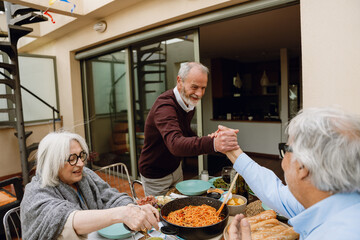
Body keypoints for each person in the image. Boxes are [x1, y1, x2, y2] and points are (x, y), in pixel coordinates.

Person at [225, 107, 360, 240]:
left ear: (302, 166)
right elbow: (272, 190)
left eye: (286, 148)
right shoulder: (325, 200)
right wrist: (233, 151)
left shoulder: (339, 234)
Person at [21, 131, 159, 240]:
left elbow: (111, 197)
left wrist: (132, 208)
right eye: (72, 159)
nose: (81, 163)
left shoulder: (85, 175)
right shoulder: (35, 193)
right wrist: (121, 213)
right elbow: (64, 218)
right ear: (52, 163)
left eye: (81, 155)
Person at [138, 62, 239, 196]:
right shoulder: (164, 107)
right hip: (156, 174)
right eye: (195, 87)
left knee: (180, 208)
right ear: (180, 81)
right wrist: (213, 144)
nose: (199, 93)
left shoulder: (187, 103)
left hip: (175, 168)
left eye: (203, 88)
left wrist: (211, 139)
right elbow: (175, 144)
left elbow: (184, 134)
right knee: (160, 214)